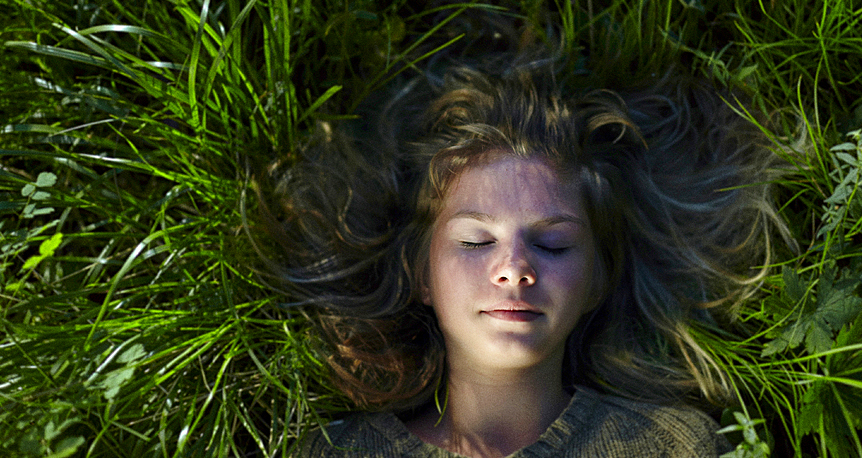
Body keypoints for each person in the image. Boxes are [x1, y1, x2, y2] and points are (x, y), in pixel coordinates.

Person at [260, 52, 790, 457]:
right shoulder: (338, 451)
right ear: (421, 273)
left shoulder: (670, 447)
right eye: (475, 241)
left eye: (552, 244)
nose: (514, 268)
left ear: (598, 279)